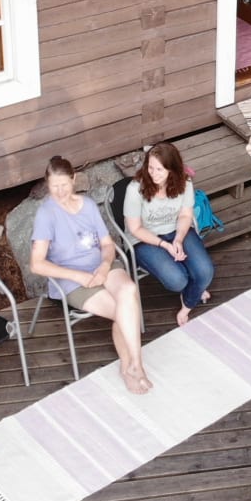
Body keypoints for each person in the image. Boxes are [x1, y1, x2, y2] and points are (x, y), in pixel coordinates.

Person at [31, 156, 151, 394]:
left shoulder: (86, 205)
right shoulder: (46, 215)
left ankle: (135, 364)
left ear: (74, 179)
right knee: (123, 311)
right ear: (47, 184)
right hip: (72, 280)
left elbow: (107, 245)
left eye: (64, 184)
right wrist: (78, 276)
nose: (60, 191)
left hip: (101, 266)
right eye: (54, 186)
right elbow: (37, 264)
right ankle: (130, 368)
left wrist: (106, 265)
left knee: (128, 291)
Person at [124, 141, 216, 328]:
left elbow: (185, 215)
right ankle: (194, 290)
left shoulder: (184, 182)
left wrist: (178, 239)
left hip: (177, 229)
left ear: (172, 170)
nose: (153, 174)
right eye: (150, 167)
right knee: (177, 280)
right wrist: (165, 245)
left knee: (206, 272)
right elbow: (135, 229)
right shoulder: (135, 189)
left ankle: (188, 303)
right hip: (144, 238)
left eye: (160, 169)